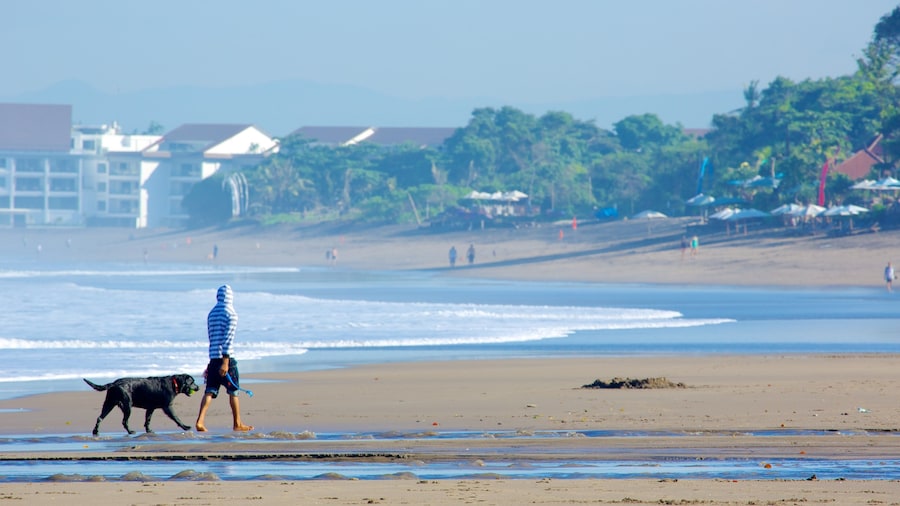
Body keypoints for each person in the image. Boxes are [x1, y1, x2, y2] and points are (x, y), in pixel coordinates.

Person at [195, 284, 253, 432]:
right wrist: (226, 362)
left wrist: (212, 363)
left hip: (213, 358)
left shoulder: (212, 313)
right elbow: (228, 339)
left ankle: (200, 421)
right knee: (233, 392)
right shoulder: (231, 314)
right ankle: (237, 423)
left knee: (210, 391)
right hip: (226, 360)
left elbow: (212, 338)